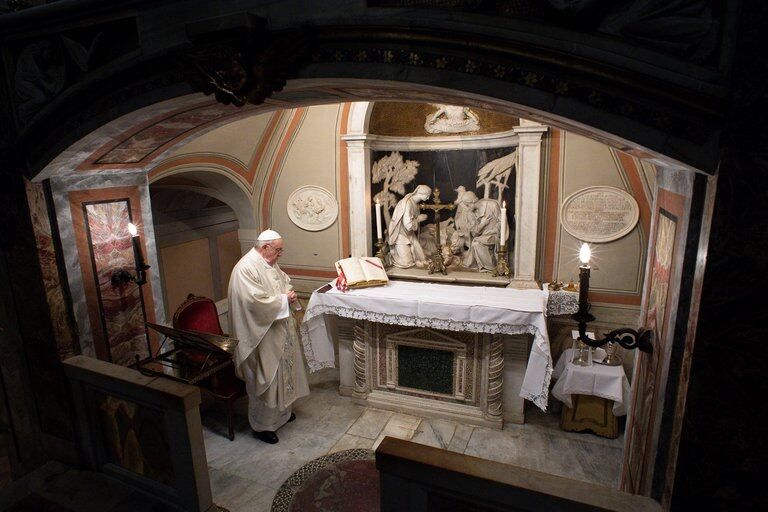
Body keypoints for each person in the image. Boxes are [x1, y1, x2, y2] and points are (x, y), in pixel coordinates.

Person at [227, 229, 309, 444]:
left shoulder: (269, 262)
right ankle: (263, 426)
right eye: (278, 250)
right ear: (265, 247)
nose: (280, 254)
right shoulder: (246, 268)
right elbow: (253, 302)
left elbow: (282, 282)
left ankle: (281, 415)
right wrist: (283, 300)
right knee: (267, 378)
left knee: (283, 373)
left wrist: (288, 294)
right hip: (261, 334)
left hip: (278, 329)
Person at [387, 184, 432, 268]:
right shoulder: (407, 203)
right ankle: (391, 256)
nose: (428, 198)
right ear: (422, 194)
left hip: (409, 234)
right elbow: (408, 225)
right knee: (406, 262)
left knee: (422, 257)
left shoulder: (414, 203)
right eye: (428, 195)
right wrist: (418, 219)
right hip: (399, 235)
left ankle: (416, 257)